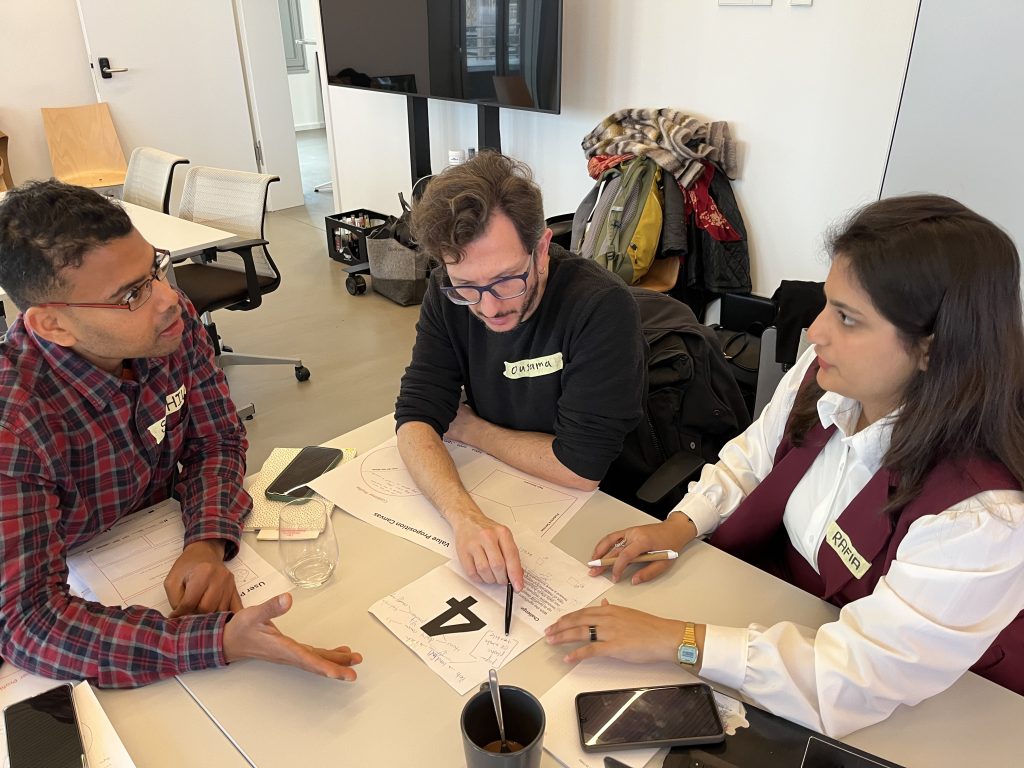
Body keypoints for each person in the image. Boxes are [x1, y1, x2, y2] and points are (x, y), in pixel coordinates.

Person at [545, 194, 1024, 737]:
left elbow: (858, 677)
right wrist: (677, 527)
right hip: (788, 616)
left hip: (939, 704)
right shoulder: (825, 378)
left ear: (932, 350)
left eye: (847, 318)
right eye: (827, 303)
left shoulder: (981, 516)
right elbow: (751, 460)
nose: (816, 330)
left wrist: (672, 639)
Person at [0, 180, 361, 687]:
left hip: (157, 536)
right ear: (54, 326)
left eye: (154, 269)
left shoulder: (169, 323)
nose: (169, 299)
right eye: (131, 294)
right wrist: (217, 643)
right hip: (81, 566)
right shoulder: (13, 424)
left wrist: (207, 542)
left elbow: (217, 440)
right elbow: (30, 624)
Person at [395, 152, 645, 591]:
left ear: (542, 249)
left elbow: (581, 469)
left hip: (600, 511)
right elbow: (416, 416)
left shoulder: (599, 306)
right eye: (467, 287)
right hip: (504, 483)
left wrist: (471, 429)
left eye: (508, 279)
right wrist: (463, 515)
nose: (489, 307)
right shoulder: (445, 292)